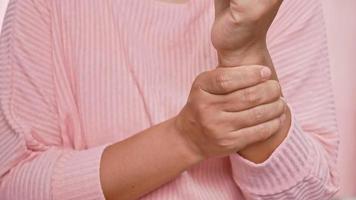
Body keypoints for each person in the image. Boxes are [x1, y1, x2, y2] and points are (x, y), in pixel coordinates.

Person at [0, 0, 339, 199]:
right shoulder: (46, 6)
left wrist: (244, 51)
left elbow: (313, 193)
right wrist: (185, 139)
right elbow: (15, 186)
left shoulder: (278, 5)